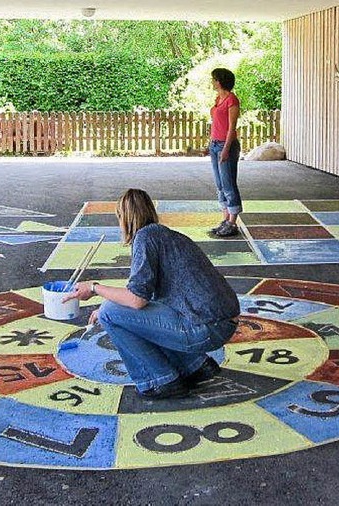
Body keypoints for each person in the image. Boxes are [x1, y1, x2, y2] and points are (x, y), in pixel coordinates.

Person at [63, 189, 241, 399]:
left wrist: (94, 288)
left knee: (109, 313)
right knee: (114, 310)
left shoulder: (145, 238)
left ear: (125, 217)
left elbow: (136, 300)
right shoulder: (167, 235)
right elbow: (144, 295)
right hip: (223, 322)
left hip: (207, 328)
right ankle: (196, 366)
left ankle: (163, 380)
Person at [208, 68, 242, 237]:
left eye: (214, 79)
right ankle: (225, 219)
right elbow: (216, 123)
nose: (212, 82)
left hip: (225, 145)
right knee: (220, 185)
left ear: (220, 81)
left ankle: (232, 222)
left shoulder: (232, 100)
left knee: (228, 185)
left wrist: (226, 150)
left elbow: (231, 128)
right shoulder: (218, 99)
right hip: (214, 145)